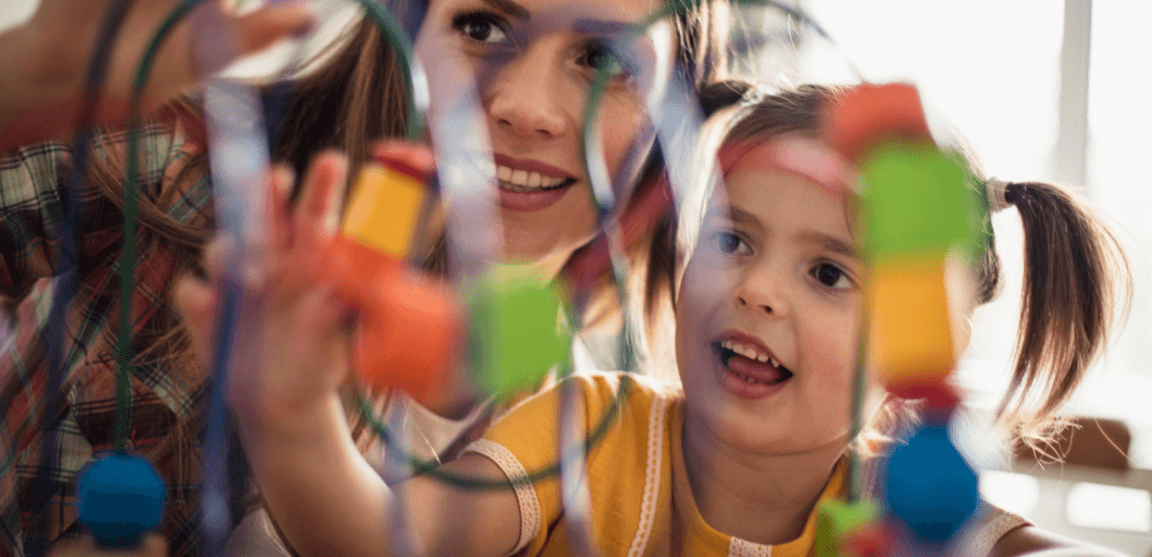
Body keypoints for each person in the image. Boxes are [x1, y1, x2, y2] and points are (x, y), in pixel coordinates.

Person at [0, 0, 729, 554]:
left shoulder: (584, 436)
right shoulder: (189, 170)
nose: (528, 108)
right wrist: (31, 69)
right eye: (480, 26)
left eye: (602, 60)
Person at [177, 83, 1131, 556]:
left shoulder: (912, 511)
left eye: (831, 274)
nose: (759, 290)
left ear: (927, 338)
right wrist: (293, 423)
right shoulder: (586, 427)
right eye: (732, 240)